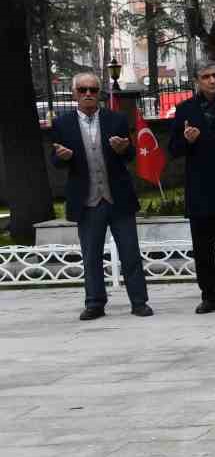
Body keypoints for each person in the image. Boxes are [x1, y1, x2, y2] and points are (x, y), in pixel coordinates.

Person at [49, 72, 152, 320]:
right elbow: (56, 159)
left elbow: (130, 155)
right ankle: (95, 303)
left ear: (99, 94)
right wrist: (62, 157)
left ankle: (139, 302)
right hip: (87, 200)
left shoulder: (116, 119)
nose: (88, 94)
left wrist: (124, 149)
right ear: (74, 94)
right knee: (91, 255)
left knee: (130, 252)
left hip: (118, 198)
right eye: (83, 90)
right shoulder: (62, 123)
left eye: (93, 90)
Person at [167, 61, 215, 313]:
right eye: (206, 76)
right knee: (203, 247)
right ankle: (209, 296)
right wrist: (187, 140)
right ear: (197, 81)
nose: (212, 80)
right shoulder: (185, 109)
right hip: (200, 188)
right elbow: (173, 149)